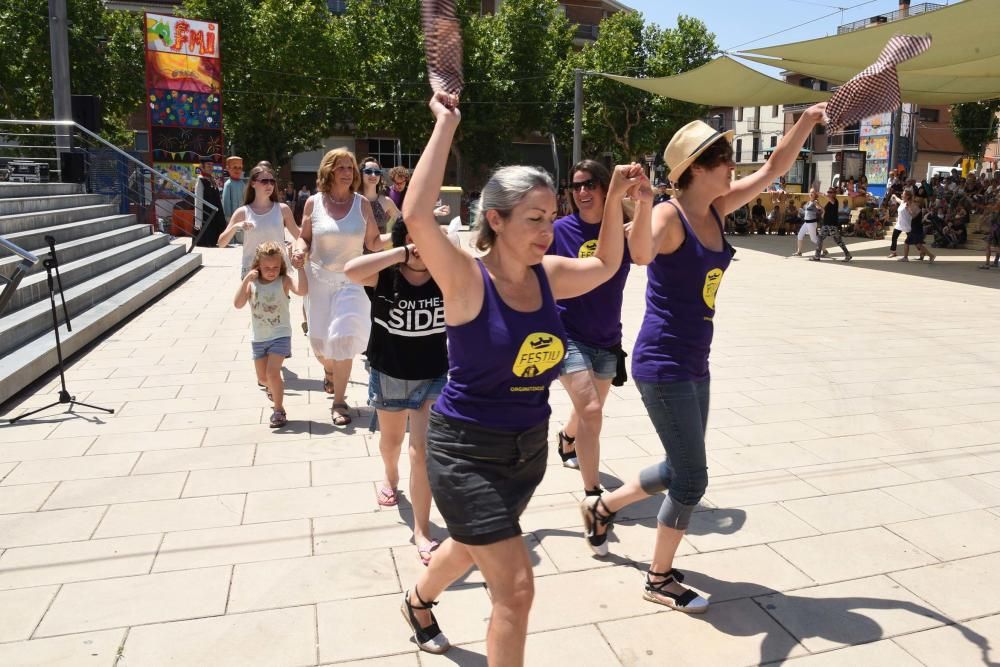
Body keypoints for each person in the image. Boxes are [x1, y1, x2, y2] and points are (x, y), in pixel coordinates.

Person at [398, 91, 641, 662]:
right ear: (495, 219)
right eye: (534, 219)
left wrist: (616, 202)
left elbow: (606, 264)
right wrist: (446, 124)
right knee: (517, 588)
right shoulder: (464, 278)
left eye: (551, 217)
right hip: (464, 451)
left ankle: (417, 600)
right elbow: (414, 214)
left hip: (527, 452)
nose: (546, 229)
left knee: (470, 543)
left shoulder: (549, 274)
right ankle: (424, 603)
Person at [578, 103, 828, 615]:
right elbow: (641, 254)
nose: (732, 168)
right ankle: (659, 577)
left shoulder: (716, 207)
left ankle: (602, 507)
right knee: (693, 478)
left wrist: (805, 121)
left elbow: (775, 167)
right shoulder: (670, 214)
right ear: (694, 169)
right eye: (722, 160)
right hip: (663, 361)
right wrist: (642, 202)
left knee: (677, 466)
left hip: (697, 361)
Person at [344, 219, 448, 565]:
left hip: (434, 375)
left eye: (425, 240)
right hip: (390, 374)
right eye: (410, 240)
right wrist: (400, 252)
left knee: (422, 449)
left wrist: (444, 246)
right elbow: (351, 270)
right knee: (392, 443)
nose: (419, 248)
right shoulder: (385, 275)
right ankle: (390, 476)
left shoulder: (446, 275)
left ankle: (422, 530)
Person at [547, 159, 640, 502]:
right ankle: (592, 495)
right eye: (576, 186)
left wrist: (643, 206)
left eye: (589, 184)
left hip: (607, 337)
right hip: (566, 333)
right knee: (590, 410)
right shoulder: (559, 231)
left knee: (589, 409)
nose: (582, 192)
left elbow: (648, 254)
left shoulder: (623, 230)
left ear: (605, 188)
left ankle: (567, 438)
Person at [291, 149, 382, 426]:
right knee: (320, 344)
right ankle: (329, 372)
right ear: (329, 171)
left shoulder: (362, 204)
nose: (348, 172)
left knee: (342, 340)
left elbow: (375, 243)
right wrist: (298, 250)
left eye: (351, 168)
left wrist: (405, 238)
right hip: (319, 280)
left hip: (351, 282)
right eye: (342, 167)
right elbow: (304, 238)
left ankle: (339, 402)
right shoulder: (313, 204)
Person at [233, 241, 308, 428]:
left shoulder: (284, 281)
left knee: (272, 373)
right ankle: (272, 389)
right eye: (267, 267)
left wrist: (300, 269)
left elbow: (303, 290)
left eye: (275, 267)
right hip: (259, 337)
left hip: (280, 335)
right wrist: (246, 281)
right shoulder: (253, 284)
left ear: (281, 266)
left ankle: (278, 410)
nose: (271, 271)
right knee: (263, 378)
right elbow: (238, 304)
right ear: (257, 266)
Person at [216, 164, 300, 277]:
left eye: (272, 181)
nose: (269, 185)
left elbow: (299, 237)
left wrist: (297, 250)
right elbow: (221, 243)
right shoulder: (242, 212)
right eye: (264, 181)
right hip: (252, 273)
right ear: (253, 183)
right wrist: (236, 226)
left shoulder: (283, 209)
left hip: (278, 272)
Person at [359, 157, 401, 238]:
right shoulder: (352, 200)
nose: (373, 175)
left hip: (380, 250)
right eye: (368, 171)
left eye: (377, 172)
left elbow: (405, 224)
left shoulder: (386, 202)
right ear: (361, 173)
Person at [811, 188, 852, 261]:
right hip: (826, 224)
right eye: (828, 192)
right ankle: (817, 256)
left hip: (832, 225)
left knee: (838, 241)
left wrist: (819, 193)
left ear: (834, 194)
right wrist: (818, 205)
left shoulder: (834, 201)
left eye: (830, 192)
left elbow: (827, 197)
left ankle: (847, 254)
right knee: (820, 238)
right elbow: (824, 210)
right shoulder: (829, 203)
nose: (829, 193)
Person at [898, 189, 935, 262]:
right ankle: (929, 255)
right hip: (915, 226)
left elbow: (915, 215)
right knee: (918, 244)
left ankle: (906, 258)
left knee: (908, 242)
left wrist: (908, 210)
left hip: (917, 227)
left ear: (907, 196)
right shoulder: (910, 204)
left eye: (903, 194)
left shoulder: (913, 205)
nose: (902, 195)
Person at [194, 160, 224, 247]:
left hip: (214, 214)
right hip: (205, 214)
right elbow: (198, 201)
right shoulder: (200, 180)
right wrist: (198, 222)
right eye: (208, 165)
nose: (211, 167)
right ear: (202, 167)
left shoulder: (212, 179)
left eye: (212, 165)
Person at [793, 191, 823, 256]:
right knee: (800, 235)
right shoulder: (808, 202)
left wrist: (818, 206)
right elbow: (805, 211)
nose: (811, 193)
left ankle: (825, 250)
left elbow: (820, 208)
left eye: (812, 193)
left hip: (812, 223)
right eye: (810, 193)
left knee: (813, 239)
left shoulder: (815, 202)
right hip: (806, 223)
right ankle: (799, 252)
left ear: (815, 195)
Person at [221, 156, 246, 225]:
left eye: (240, 168)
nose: (237, 170)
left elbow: (245, 199)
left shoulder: (242, 184)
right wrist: (229, 219)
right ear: (228, 168)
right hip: (232, 219)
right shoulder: (228, 184)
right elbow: (226, 203)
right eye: (235, 167)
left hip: (242, 217)